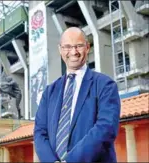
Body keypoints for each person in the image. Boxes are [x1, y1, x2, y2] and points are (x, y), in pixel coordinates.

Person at [34, 27, 121, 162]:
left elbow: (106, 128)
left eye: (79, 46)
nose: (73, 52)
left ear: (87, 47)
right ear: (60, 49)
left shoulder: (105, 85)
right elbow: (40, 133)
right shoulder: (49, 92)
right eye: (67, 47)